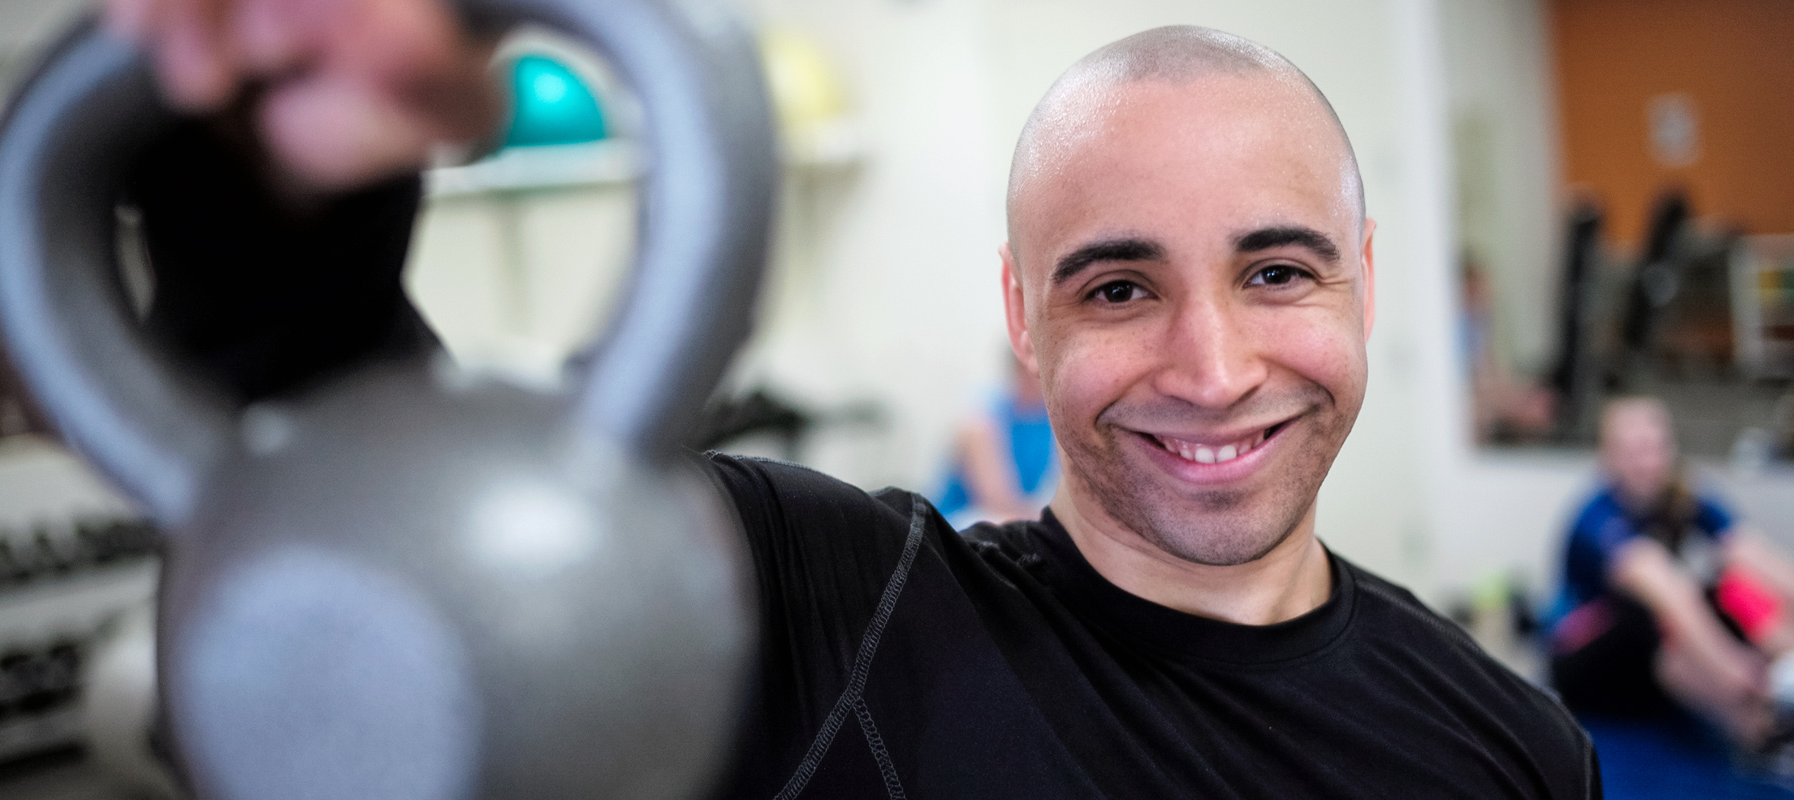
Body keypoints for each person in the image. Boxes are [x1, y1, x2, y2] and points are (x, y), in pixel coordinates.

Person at [105, 2, 1599, 796]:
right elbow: (397, 550)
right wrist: (281, 180)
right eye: (1119, 288)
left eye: (1277, 272)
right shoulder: (822, 601)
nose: (1211, 370)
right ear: (1024, 315)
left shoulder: (1516, 753)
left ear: (1365, 282)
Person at [1551, 398, 1794, 751]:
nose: (1648, 462)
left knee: (1733, 582)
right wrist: (1745, 676)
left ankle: (1773, 703)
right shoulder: (1598, 518)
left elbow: (1748, 550)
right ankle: (1760, 725)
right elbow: (1665, 590)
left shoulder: (1683, 495)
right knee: (1657, 617)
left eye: (1655, 447)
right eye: (1633, 450)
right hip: (1584, 660)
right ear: (1609, 457)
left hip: (1649, 654)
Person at [932, 354, 1057, 527]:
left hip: (1015, 515)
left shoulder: (1049, 420)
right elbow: (995, 499)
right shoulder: (983, 416)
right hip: (961, 520)